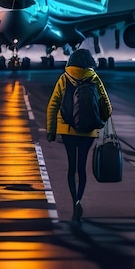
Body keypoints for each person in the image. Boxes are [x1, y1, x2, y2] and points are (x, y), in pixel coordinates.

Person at [46, 48, 112, 222]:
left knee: (71, 167)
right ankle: (79, 200)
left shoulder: (64, 78)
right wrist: (102, 120)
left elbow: (53, 105)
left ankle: (73, 198)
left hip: (67, 130)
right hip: (88, 131)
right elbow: (106, 104)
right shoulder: (94, 78)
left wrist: (51, 131)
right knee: (82, 168)